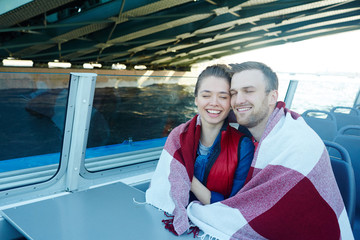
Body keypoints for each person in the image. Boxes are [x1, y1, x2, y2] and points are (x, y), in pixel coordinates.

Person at [185, 61, 354, 239]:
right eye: (233, 93)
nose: (238, 100)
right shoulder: (264, 134)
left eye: (248, 91)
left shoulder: (298, 145)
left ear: (273, 97)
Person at [145, 64, 254, 235]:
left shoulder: (243, 146)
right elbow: (164, 186)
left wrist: (190, 180)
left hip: (216, 230)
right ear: (196, 99)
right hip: (172, 219)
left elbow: (234, 205)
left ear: (231, 102)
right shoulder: (178, 136)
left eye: (223, 97)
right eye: (206, 95)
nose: (214, 103)